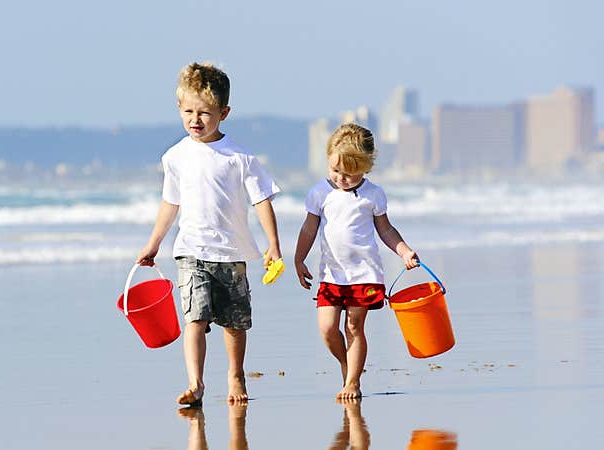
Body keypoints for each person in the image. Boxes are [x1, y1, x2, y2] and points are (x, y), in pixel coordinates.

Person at [137, 62, 282, 406]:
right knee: (195, 317)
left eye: (205, 113)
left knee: (234, 323)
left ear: (224, 112)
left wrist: (273, 244)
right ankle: (196, 383)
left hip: (231, 253)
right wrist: (153, 244)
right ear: (179, 109)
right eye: (188, 111)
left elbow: (261, 200)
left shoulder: (240, 158)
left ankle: (235, 374)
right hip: (191, 251)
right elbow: (170, 204)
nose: (195, 120)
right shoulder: (175, 157)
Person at [293, 123, 418, 401]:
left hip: (364, 274)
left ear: (366, 168)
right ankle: (346, 364)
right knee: (327, 328)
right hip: (331, 275)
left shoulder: (373, 195)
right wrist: (299, 259)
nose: (341, 179)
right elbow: (308, 229)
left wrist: (405, 251)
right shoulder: (319, 193)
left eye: (349, 174)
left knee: (353, 327)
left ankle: (352, 382)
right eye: (336, 171)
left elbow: (386, 230)